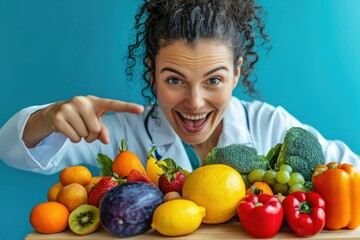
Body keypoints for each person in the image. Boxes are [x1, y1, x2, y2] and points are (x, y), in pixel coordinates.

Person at [0, 0, 359, 175]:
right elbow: (10, 150)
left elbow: (350, 173)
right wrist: (48, 118)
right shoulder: (122, 134)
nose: (195, 102)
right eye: (174, 80)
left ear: (236, 73)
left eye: (214, 80)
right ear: (151, 72)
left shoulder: (270, 127)